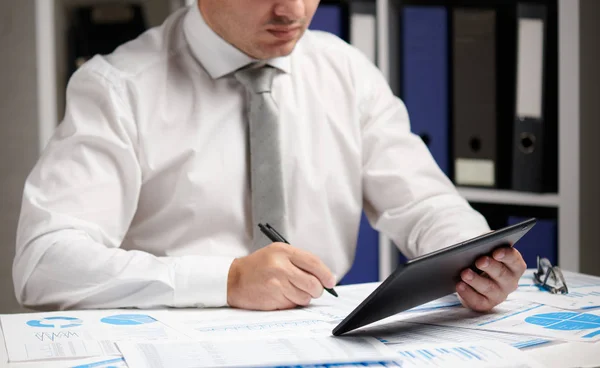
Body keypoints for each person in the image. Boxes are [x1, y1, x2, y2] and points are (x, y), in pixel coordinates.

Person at [13, 0, 526, 312]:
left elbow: (423, 203)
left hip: (320, 338)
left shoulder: (344, 70)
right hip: (174, 339)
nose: (292, 12)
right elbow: (44, 264)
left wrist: (474, 255)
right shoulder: (118, 87)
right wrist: (228, 280)